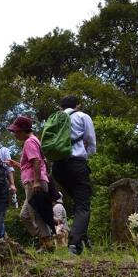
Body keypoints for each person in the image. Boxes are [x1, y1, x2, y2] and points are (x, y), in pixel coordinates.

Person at [52, 96, 96, 255]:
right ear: (78, 105)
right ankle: (74, 245)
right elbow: (91, 143)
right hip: (76, 164)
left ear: (60, 106)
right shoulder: (82, 116)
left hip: (57, 168)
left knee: (79, 203)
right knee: (83, 205)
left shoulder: (55, 118)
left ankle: (83, 238)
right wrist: (85, 153)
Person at [6, 115, 54, 252]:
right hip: (33, 180)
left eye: (15, 131)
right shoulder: (34, 141)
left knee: (36, 214)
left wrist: (37, 182)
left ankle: (48, 244)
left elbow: (37, 162)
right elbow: (31, 164)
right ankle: (45, 240)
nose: (14, 134)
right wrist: (16, 164)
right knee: (25, 215)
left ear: (22, 130)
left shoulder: (29, 142)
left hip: (34, 182)